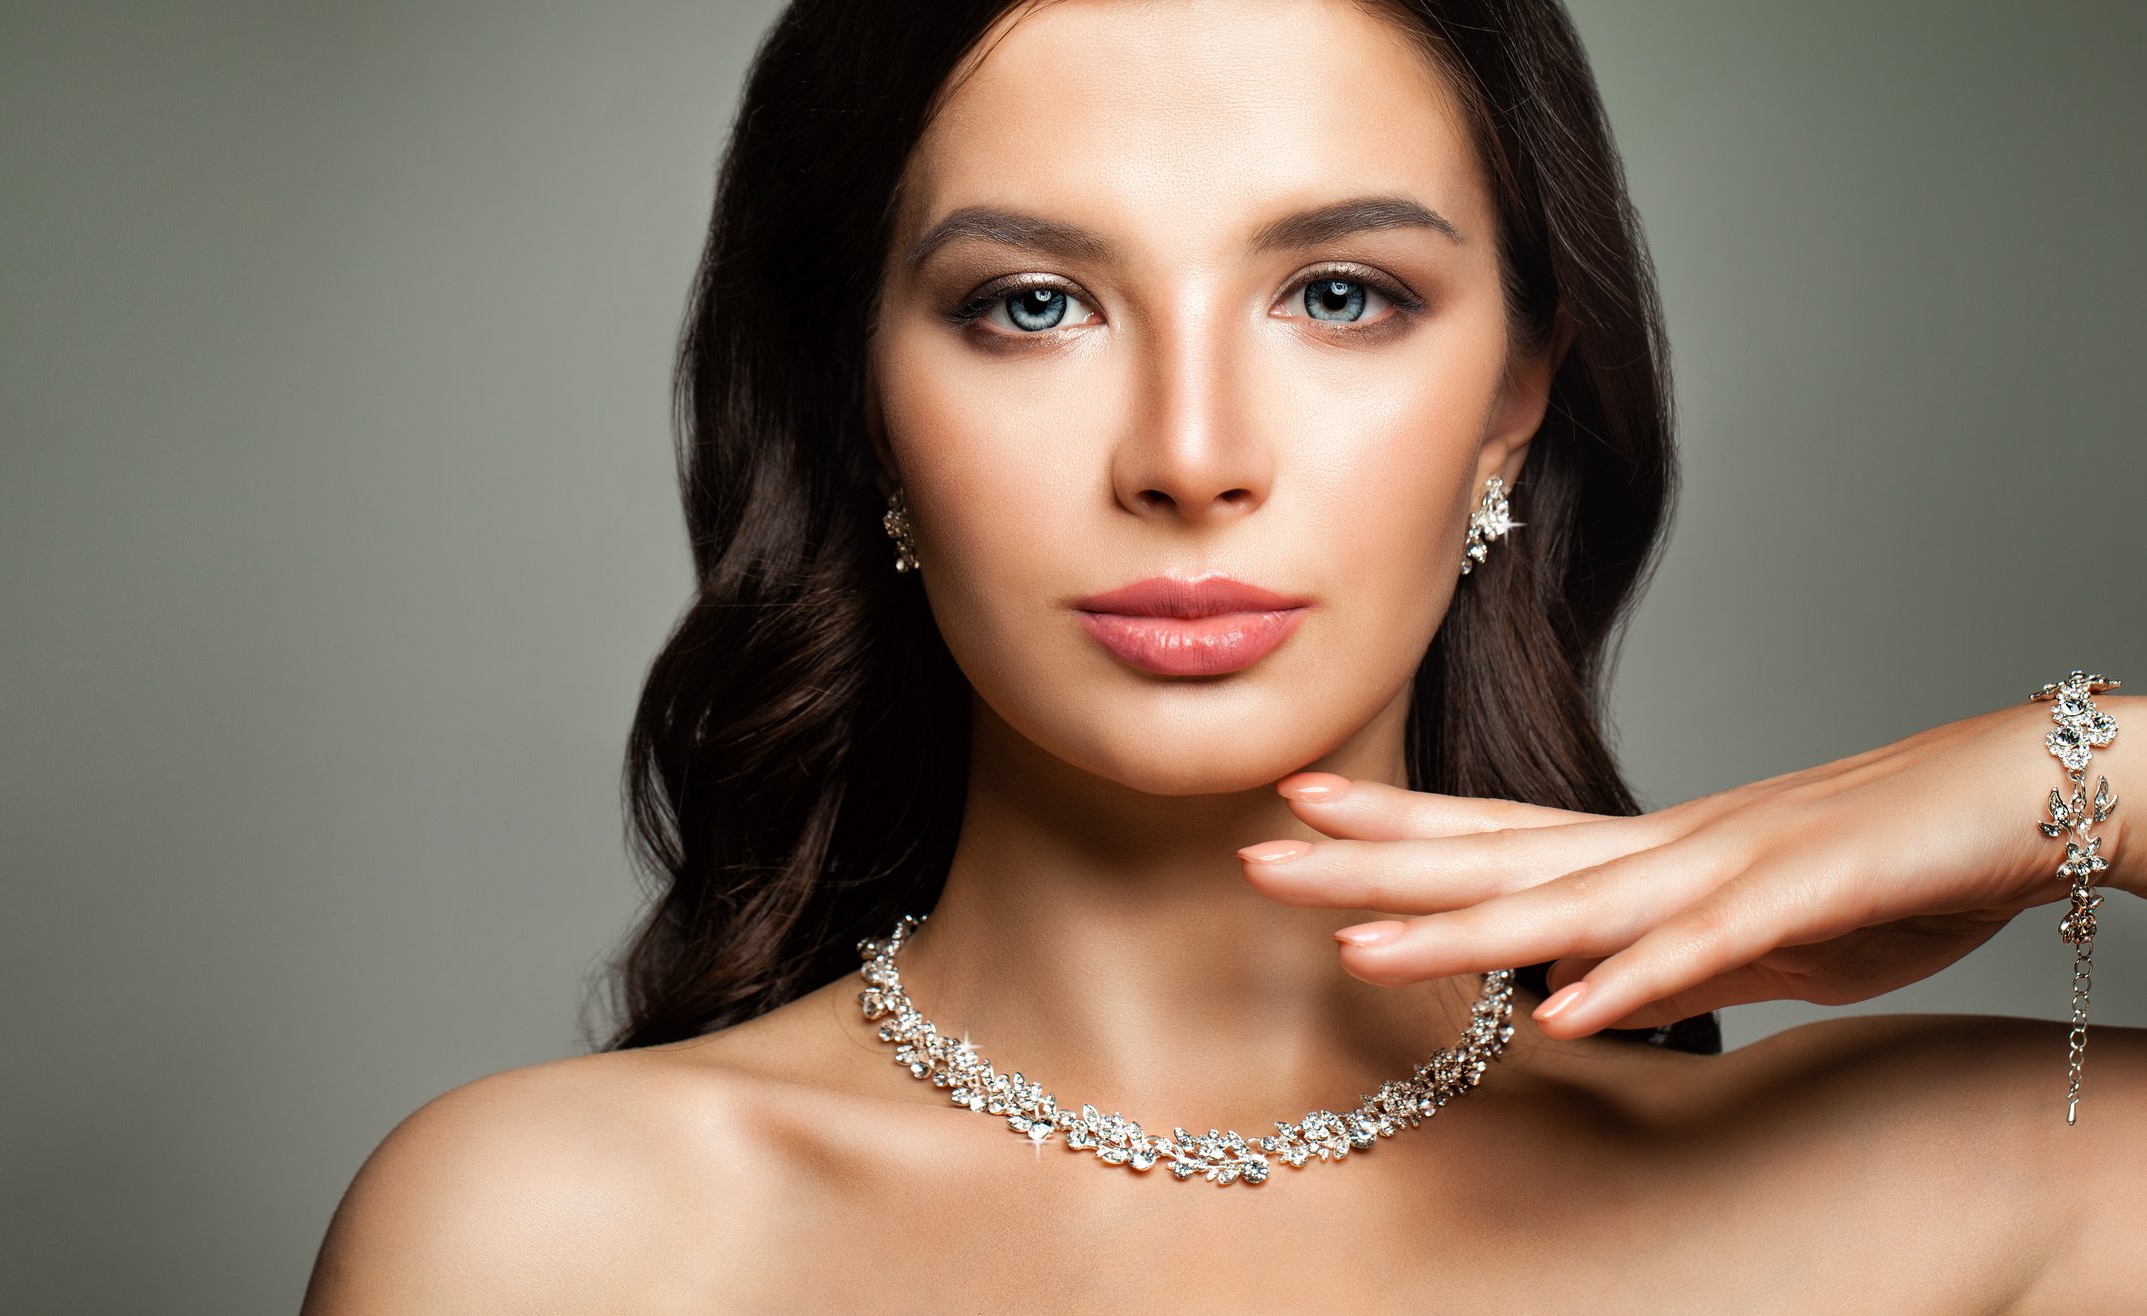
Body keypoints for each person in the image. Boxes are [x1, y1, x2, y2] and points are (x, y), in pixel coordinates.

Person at [299, 1, 2144, 1310]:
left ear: (1514, 394)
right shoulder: (549, 1243)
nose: (1189, 456)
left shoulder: (2004, 1187)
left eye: (1339, 294)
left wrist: (2088, 776)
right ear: (862, 408)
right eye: (1032, 304)